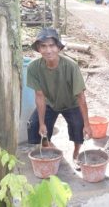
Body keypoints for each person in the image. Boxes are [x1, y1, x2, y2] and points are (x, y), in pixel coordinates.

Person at [26, 28, 92, 169]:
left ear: (58, 48)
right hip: (50, 103)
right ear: (38, 48)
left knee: (78, 126)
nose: (48, 50)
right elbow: (39, 96)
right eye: (43, 46)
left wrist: (87, 124)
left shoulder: (70, 66)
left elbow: (80, 96)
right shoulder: (33, 68)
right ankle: (48, 147)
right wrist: (42, 123)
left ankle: (75, 154)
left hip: (71, 103)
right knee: (34, 125)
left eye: (51, 45)